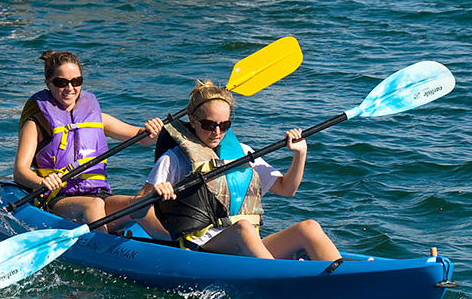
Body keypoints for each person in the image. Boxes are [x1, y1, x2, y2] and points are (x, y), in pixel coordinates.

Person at [131, 80, 342, 260]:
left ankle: (344, 277)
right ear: (192, 119)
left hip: (245, 244)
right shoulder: (175, 159)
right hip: (203, 249)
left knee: (309, 227)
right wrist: (153, 195)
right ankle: (282, 280)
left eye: (224, 125)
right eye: (208, 124)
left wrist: (300, 153)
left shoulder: (242, 152)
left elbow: (287, 189)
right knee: (244, 229)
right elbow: (135, 209)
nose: (216, 132)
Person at [14, 50, 164, 233]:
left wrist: (153, 131)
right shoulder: (36, 124)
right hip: (59, 200)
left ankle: (186, 247)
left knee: (138, 206)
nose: (70, 88)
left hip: (99, 195)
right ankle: (105, 251)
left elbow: (143, 139)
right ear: (48, 83)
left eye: (76, 81)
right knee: (93, 206)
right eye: (62, 82)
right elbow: (20, 172)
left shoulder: (98, 118)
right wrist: (42, 182)